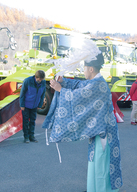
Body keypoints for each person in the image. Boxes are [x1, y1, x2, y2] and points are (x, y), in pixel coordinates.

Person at [43, 53, 122, 191]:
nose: (83, 71)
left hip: (104, 134)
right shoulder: (96, 81)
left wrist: (60, 89)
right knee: (96, 166)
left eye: (84, 68)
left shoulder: (98, 84)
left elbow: (79, 94)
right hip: (100, 131)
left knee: (101, 168)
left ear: (91, 69)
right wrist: (63, 81)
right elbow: (80, 85)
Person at [20, 70, 46, 143]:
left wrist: (40, 104)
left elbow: (43, 94)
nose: (40, 81)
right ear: (35, 77)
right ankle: (26, 137)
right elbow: (22, 94)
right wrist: (22, 105)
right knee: (25, 121)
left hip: (34, 106)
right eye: (39, 79)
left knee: (32, 121)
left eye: (42, 79)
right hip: (26, 105)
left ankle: (32, 136)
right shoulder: (27, 81)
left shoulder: (43, 83)